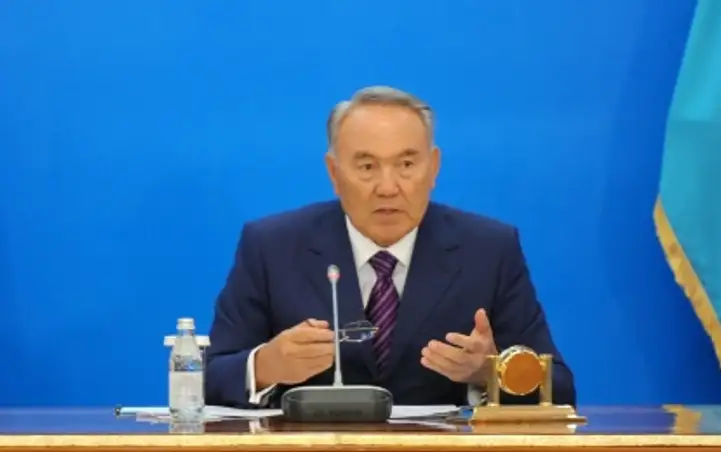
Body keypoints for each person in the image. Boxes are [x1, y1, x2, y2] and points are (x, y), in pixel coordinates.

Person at [205, 86, 576, 408]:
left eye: (406, 164)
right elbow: (207, 379)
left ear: (433, 168)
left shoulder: (489, 250)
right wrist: (266, 366)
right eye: (367, 167)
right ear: (334, 173)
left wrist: (490, 371)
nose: (387, 187)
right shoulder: (272, 246)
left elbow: (559, 388)